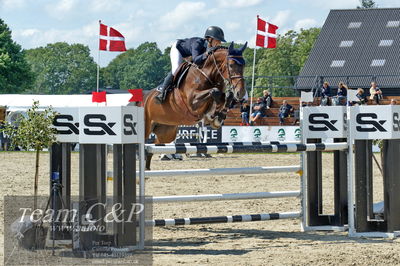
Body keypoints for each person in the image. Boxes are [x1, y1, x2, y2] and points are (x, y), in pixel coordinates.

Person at [156, 26, 226, 103]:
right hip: (179, 50)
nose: (219, 43)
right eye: (218, 40)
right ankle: (163, 90)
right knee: (176, 69)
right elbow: (196, 60)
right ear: (210, 39)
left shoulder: (211, 48)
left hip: (191, 54)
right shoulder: (197, 43)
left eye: (220, 41)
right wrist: (206, 54)